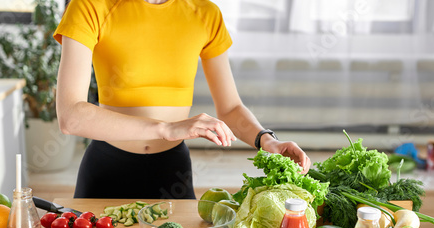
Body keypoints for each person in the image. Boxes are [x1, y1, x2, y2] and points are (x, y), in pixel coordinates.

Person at [53, 0, 311, 199]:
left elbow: (230, 108)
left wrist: (267, 140)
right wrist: (165, 128)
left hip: (173, 171)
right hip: (106, 169)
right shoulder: (89, 6)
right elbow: (71, 116)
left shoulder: (205, 13)